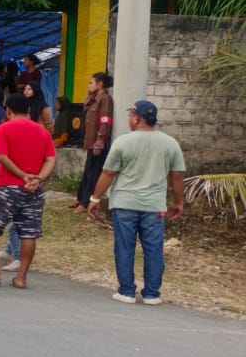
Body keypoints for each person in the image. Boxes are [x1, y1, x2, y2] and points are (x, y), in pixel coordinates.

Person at [88, 100, 185, 305]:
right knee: (154, 249)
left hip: (124, 204)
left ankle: (127, 291)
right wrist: (178, 202)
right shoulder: (170, 143)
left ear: (137, 118)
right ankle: (151, 294)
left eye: (131, 115)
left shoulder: (123, 142)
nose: (130, 119)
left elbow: (108, 173)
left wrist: (95, 198)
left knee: (125, 247)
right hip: (154, 207)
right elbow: (176, 176)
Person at [0, 93, 57, 289]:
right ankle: (21, 277)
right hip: (34, 190)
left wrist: (22, 175)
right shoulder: (42, 131)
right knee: (28, 232)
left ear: (8, 110)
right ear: (28, 111)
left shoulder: (4, 128)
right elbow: (51, 159)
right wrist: (38, 178)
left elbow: (1, 156)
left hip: (6, 187)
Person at [74, 73, 115, 212]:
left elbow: (105, 121)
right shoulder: (94, 99)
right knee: (87, 171)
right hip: (90, 142)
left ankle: (86, 203)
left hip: (98, 143)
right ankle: (80, 199)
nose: (89, 85)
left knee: (93, 174)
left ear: (100, 84)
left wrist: (100, 140)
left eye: (91, 83)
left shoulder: (105, 99)